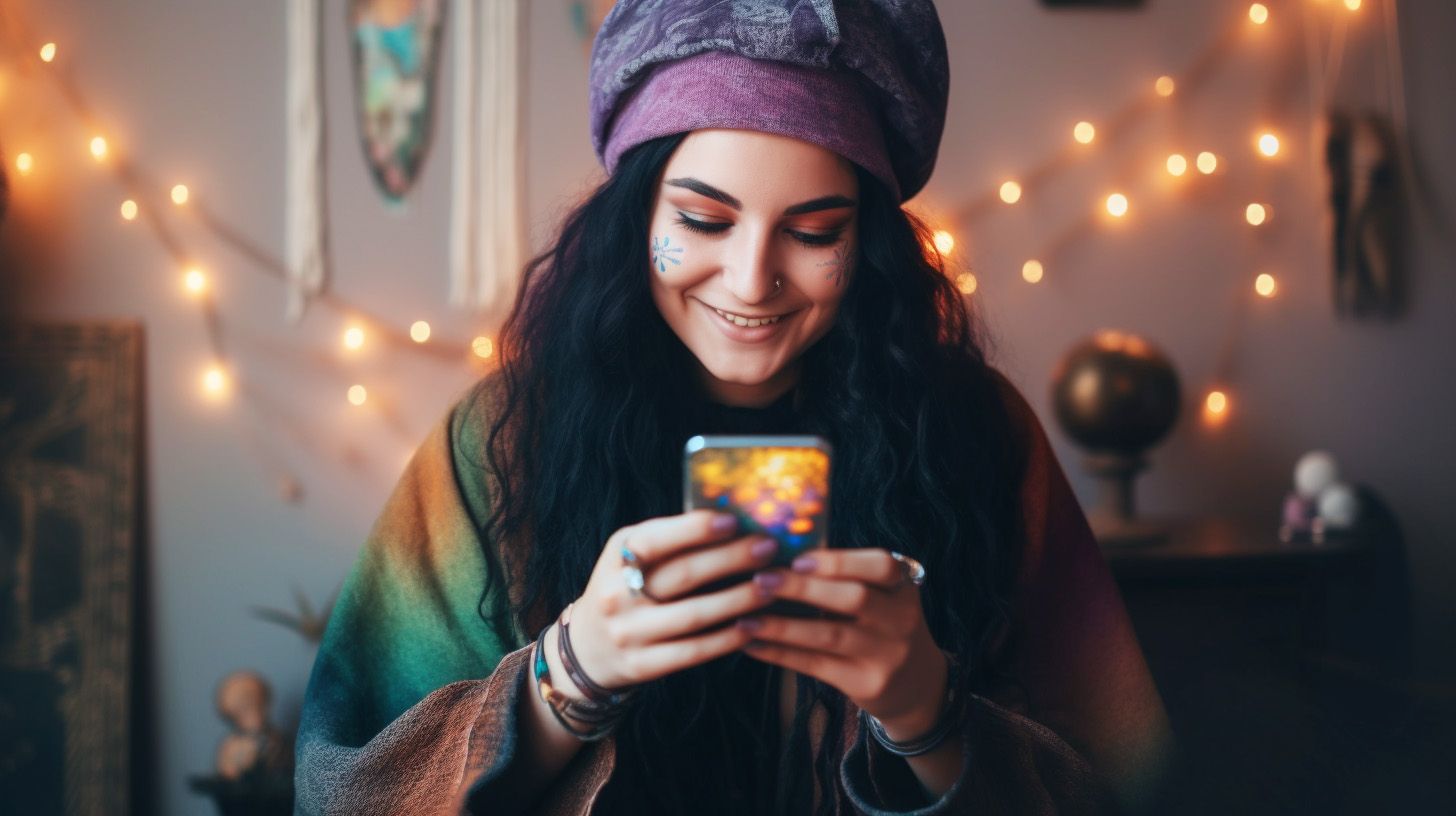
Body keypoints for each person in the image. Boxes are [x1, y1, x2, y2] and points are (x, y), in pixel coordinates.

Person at [293, 2, 1176, 814]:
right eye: (705, 222)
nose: (753, 281)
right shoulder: (499, 441)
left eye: (814, 231)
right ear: (638, 218)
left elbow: (1130, 787)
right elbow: (345, 791)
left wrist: (925, 713)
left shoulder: (980, 439)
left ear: (866, 241)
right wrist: (572, 675)